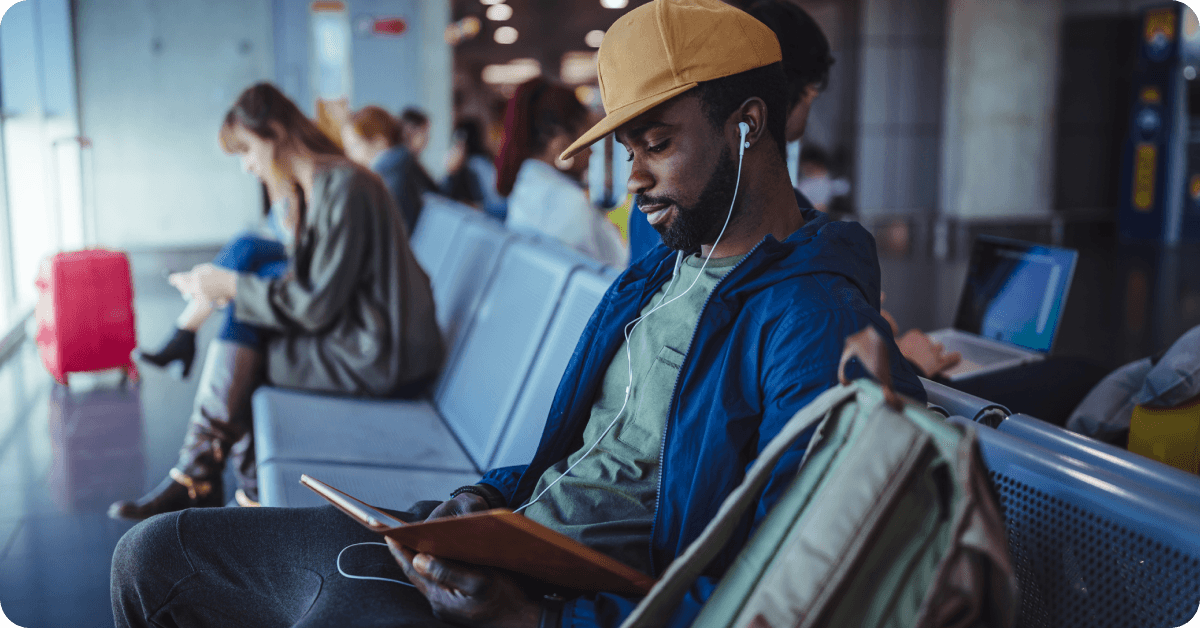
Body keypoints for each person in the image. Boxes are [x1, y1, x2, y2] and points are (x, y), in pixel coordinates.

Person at [110, 3, 923, 627]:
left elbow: (775, 587)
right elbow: (570, 462)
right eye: (627, 152)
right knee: (152, 557)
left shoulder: (810, 316)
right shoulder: (659, 274)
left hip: (549, 605)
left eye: (657, 143)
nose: (633, 179)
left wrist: (538, 619)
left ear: (748, 125)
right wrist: (478, 502)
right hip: (500, 558)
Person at [108, 83, 444, 520]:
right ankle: (213, 484)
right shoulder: (320, 186)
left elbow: (315, 305)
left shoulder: (343, 185)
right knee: (249, 312)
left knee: (249, 354)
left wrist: (229, 286)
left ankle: (214, 485)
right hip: (366, 337)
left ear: (275, 135)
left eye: (247, 151)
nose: (247, 166)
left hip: (382, 357)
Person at [628, 0, 835, 261]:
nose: (634, 181)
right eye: (657, 145)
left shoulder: (659, 202)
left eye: (658, 145)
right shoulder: (671, 202)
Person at [135, 181, 298, 379]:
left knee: (249, 265)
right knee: (245, 248)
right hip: (286, 246)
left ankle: (184, 332)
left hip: (296, 252)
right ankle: (187, 329)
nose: (247, 167)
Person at [497, 77, 629, 267]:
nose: (592, 151)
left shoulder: (528, 188)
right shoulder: (570, 203)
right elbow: (622, 267)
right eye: (586, 138)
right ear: (562, 145)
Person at [341, 105, 426, 233]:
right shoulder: (402, 165)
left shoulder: (386, 179)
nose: (349, 155)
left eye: (354, 146)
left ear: (380, 143)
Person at [442, 118, 508, 221]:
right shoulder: (464, 167)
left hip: (489, 213)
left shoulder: (477, 164)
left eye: (459, 144)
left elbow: (494, 199)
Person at [400, 107, 439, 195]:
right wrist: (452, 172)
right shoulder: (405, 162)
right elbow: (434, 193)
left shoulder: (408, 160)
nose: (428, 138)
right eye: (425, 132)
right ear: (411, 131)